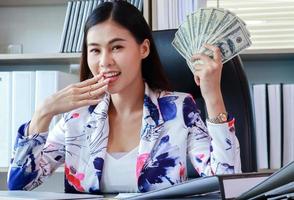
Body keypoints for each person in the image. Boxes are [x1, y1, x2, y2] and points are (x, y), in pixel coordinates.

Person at [7, 1, 241, 194]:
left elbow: (227, 184)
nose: (104, 62)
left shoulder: (178, 109)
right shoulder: (76, 118)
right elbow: (19, 185)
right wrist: (44, 112)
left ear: (144, 49)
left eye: (116, 47)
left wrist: (212, 96)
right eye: (95, 50)